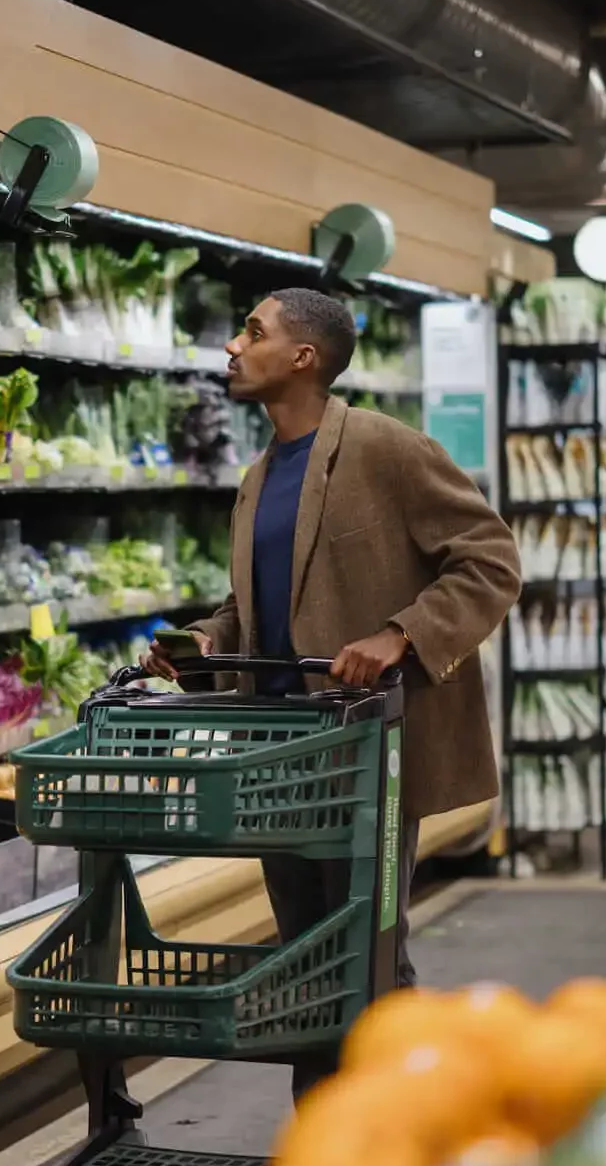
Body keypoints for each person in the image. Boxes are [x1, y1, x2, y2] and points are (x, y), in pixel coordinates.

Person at [142, 287, 521, 1097]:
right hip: (281, 750)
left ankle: (401, 1130)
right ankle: (326, 1138)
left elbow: (491, 559)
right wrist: (206, 641)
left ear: (303, 357)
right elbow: (254, 610)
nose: (233, 348)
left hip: (366, 748)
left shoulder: (386, 449)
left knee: (369, 953)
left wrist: (400, 634)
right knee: (306, 953)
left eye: (253, 331)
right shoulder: (256, 478)